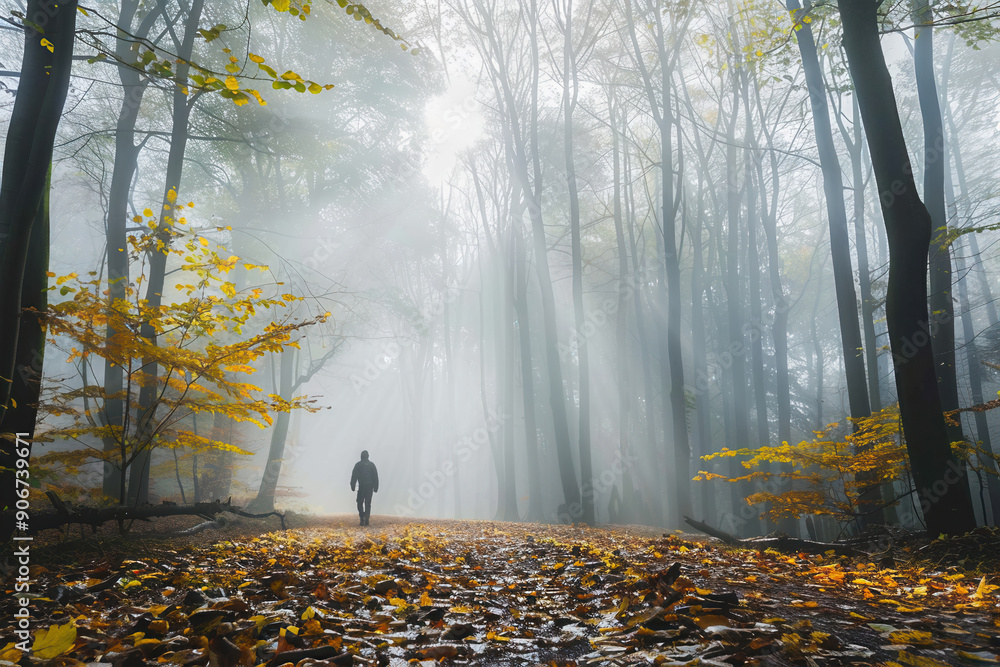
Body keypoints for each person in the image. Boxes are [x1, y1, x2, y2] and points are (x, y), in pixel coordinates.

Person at [350, 450, 379, 526]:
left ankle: (362, 516)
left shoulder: (358, 465)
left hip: (362, 487)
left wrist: (352, 485)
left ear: (361, 456)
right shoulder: (372, 465)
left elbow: (354, 476)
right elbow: (375, 477)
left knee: (359, 502)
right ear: (368, 456)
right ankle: (367, 517)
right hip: (370, 487)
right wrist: (376, 487)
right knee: (368, 503)